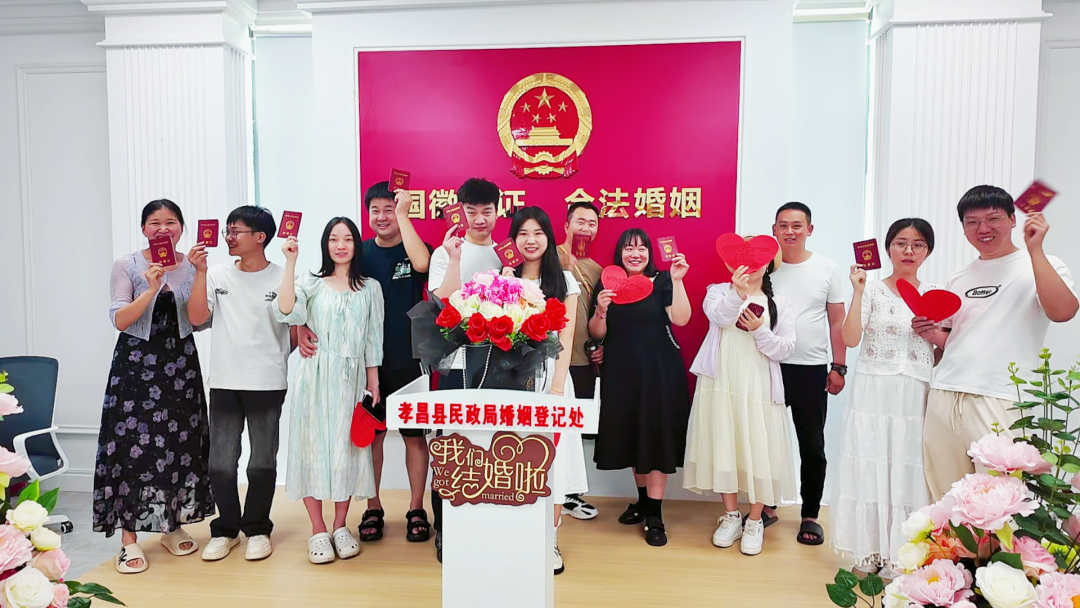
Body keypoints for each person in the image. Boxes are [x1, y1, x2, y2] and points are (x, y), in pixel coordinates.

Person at [915, 185, 1078, 500]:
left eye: (993, 219)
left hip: (1001, 396)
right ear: (963, 228)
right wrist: (930, 333)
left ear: (1013, 220)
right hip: (945, 393)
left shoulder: (1042, 264)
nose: (983, 229)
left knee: (1000, 500)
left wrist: (1036, 250)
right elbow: (954, 339)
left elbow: (1063, 312)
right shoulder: (959, 277)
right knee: (946, 498)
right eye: (972, 222)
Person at [297, 183, 434, 545]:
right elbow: (321, 294)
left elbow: (423, 265)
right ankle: (373, 506)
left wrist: (404, 216)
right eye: (376, 210)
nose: (383, 216)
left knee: (414, 437)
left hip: (409, 360)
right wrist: (300, 325)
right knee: (369, 437)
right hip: (363, 366)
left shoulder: (413, 247)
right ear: (368, 214)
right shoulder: (361, 253)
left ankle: (416, 508)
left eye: (390, 209)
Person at [94, 199, 214, 574]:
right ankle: (129, 540)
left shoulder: (191, 264)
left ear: (182, 228)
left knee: (180, 444)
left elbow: (199, 320)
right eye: (155, 222)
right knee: (132, 449)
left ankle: (170, 526)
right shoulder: (127, 264)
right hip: (135, 367)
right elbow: (119, 319)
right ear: (144, 229)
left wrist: (200, 273)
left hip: (180, 366)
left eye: (171, 222)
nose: (163, 228)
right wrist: (150, 288)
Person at [830, 218, 938, 578]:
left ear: (928, 251)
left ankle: (901, 554)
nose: (908, 251)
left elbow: (942, 351)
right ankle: (870, 549)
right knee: (871, 460)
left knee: (908, 465)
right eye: (900, 243)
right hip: (874, 389)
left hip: (915, 390)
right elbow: (850, 338)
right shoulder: (872, 290)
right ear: (888, 248)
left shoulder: (935, 293)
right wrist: (858, 291)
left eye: (918, 244)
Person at [187, 206, 294, 562]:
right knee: (220, 463)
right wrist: (200, 272)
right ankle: (226, 530)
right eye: (228, 231)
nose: (229, 237)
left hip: (267, 382)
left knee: (261, 463)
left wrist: (274, 357)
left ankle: (258, 529)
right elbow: (197, 318)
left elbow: (294, 327)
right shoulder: (217, 274)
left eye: (236, 231)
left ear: (260, 237)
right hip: (224, 382)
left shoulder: (282, 276)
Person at [276, 217, 384, 564]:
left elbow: (373, 337)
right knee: (311, 449)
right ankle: (318, 529)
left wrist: (373, 380)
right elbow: (286, 310)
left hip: (351, 381)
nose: (340, 245)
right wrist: (290, 261)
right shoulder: (311, 283)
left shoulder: (370, 288)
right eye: (334, 239)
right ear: (325, 244)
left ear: (356, 245)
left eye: (348, 239)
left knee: (346, 452)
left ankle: (340, 525)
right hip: (315, 377)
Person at [684, 241, 796, 556]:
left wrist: (760, 330)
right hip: (721, 381)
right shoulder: (718, 291)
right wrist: (737, 293)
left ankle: (755, 520)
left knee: (760, 449)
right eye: (742, 259)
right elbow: (718, 317)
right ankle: (732, 516)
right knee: (725, 445)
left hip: (759, 385)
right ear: (731, 264)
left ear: (769, 263)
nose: (750, 265)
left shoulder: (779, 304)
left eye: (758, 259)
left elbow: (786, 349)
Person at [589, 228, 692, 547]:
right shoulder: (608, 283)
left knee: (656, 437)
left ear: (650, 253)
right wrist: (601, 309)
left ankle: (655, 515)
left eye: (642, 248)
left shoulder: (662, 281)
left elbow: (681, 318)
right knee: (634, 435)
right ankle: (644, 501)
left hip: (659, 371)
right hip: (622, 373)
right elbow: (596, 331)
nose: (635, 254)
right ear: (619, 253)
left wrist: (678, 280)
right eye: (629, 248)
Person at [426, 177, 504, 561]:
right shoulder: (446, 251)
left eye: (486, 211)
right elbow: (443, 302)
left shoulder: (506, 254)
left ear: (498, 211)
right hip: (456, 363)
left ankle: (485, 525)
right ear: (460, 211)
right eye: (471, 211)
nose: (479, 219)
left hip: (498, 364)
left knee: (493, 446)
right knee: (451, 447)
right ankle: (445, 527)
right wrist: (455, 259)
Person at [505, 206, 582, 575]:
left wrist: (556, 388)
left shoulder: (564, 281)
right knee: (515, 459)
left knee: (553, 461)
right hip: (512, 381)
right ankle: (519, 536)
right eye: (522, 233)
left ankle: (549, 539)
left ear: (549, 237)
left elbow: (565, 339)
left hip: (552, 378)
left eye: (537, 233)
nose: (530, 240)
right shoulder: (504, 278)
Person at [770, 202, 847, 545]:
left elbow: (836, 322)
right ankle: (765, 506)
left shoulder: (827, 268)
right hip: (768, 365)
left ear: (809, 230)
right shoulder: (764, 268)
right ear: (774, 230)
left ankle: (810, 514)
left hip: (811, 368)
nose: (790, 231)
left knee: (812, 445)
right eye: (783, 225)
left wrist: (838, 366)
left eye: (797, 225)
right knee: (767, 441)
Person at [555, 201, 603, 521]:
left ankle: (569, 493)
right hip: (551, 359)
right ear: (566, 226)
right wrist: (564, 266)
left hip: (582, 360)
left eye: (592, 223)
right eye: (580, 221)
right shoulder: (549, 257)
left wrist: (600, 347)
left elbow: (599, 315)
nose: (586, 228)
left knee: (574, 430)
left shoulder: (599, 270)